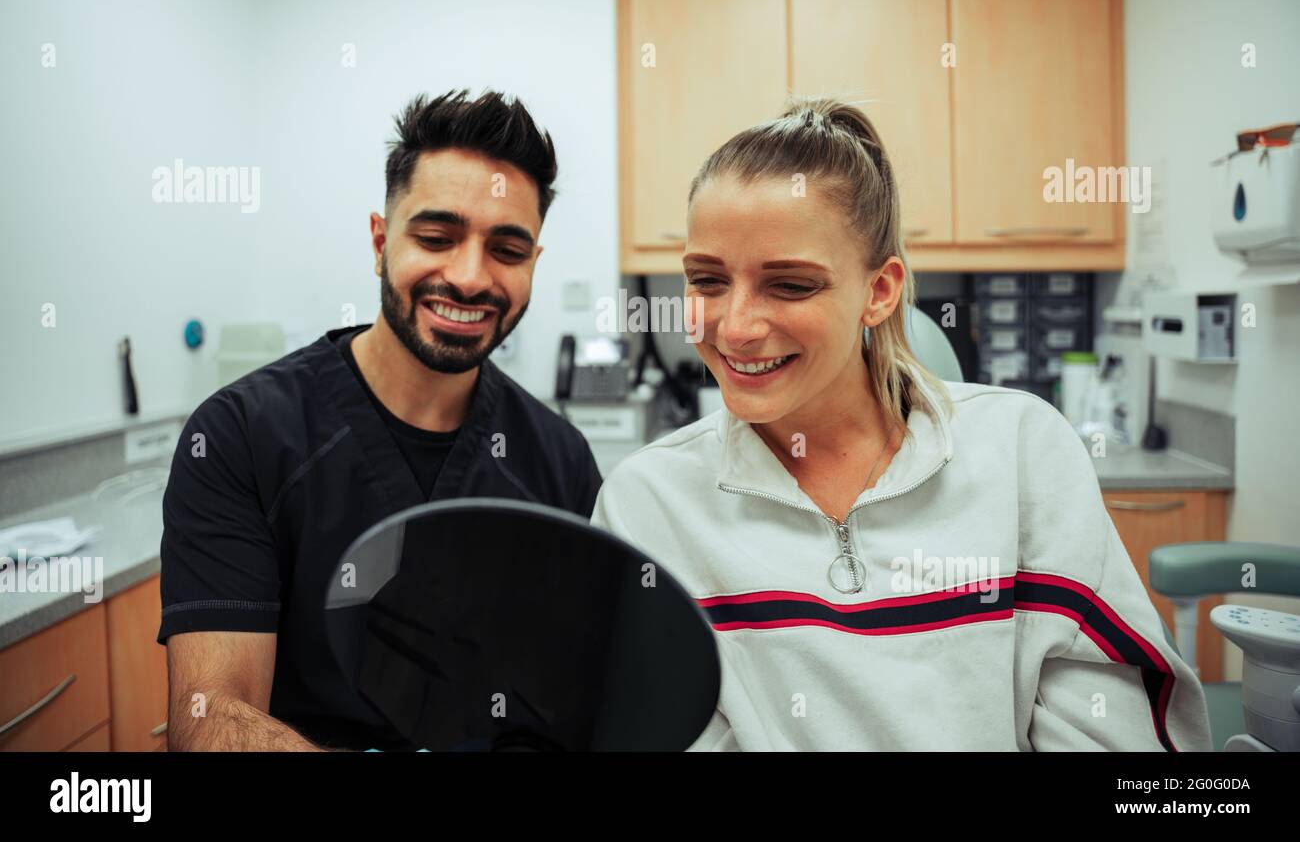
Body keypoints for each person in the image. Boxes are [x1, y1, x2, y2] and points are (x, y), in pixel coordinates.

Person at [590, 97, 1214, 751]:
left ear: (880, 291)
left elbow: (1108, 732)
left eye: (790, 285)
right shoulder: (647, 506)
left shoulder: (1023, 454)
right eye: (708, 280)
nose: (737, 326)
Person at [159, 89, 603, 751]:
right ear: (379, 240)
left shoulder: (559, 461)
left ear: (533, 263)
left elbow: (575, 702)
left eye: (507, 249)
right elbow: (209, 716)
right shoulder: (239, 438)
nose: (471, 276)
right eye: (436, 237)